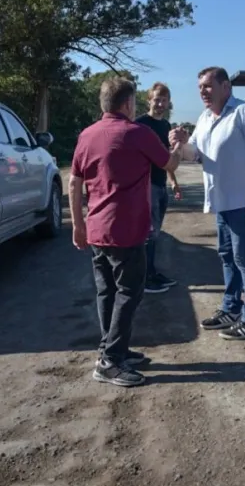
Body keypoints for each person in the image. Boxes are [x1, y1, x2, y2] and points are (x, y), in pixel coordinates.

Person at [69, 76, 180, 387]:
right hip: (126, 230)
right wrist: (179, 143)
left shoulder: (87, 135)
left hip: (96, 231)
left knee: (107, 292)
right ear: (129, 103)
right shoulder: (137, 133)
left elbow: (74, 182)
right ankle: (110, 362)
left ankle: (111, 348)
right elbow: (169, 163)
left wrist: (78, 224)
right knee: (130, 292)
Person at [169, 66, 245, 341]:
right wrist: (181, 142)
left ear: (226, 87)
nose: (203, 91)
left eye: (208, 85)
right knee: (228, 256)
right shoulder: (204, 118)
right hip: (222, 202)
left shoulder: (244, 113)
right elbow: (196, 154)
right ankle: (231, 308)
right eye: (200, 87)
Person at [135, 81, 183, 294]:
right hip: (146, 187)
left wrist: (173, 182)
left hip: (161, 185)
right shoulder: (139, 125)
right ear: (149, 100)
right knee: (148, 234)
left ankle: (152, 272)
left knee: (155, 234)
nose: (160, 103)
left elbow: (166, 158)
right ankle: (145, 278)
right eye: (157, 99)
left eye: (164, 100)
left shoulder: (165, 127)